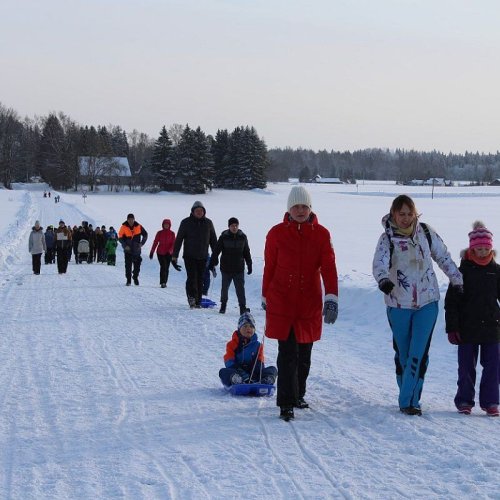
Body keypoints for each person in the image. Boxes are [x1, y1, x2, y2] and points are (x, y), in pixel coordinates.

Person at [373, 194, 463, 416]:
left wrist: (458, 280)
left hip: (427, 302)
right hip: (398, 304)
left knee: (418, 353)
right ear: (393, 214)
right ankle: (408, 394)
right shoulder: (387, 239)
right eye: (401, 214)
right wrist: (383, 280)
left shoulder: (426, 232)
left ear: (415, 214)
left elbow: (443, 257)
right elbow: (379, 263)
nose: (405, 218)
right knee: (403, 354)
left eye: (409, 214)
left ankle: (409, 401)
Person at [263, 186, 339, 421]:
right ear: (289, 209)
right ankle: (286, 403)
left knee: (304, 353)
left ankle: (298, 394)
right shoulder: (276, 233)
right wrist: (265, 296)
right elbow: (270, 266)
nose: (300, 210)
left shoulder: (322, 234)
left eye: (304, 206)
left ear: (310, 208)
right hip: (282, 301)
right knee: (287, 353)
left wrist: (331, 297)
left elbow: (329, 267)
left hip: (308, 303)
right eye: (295, 206)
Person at [444, 221, 500, 417]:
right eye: (479, 249)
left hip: (492, 327)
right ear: (472, 248)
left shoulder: (496, 270)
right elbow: (451, 302)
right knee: (466, 366)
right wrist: (452, 327)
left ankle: (491, 402)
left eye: (486, 248)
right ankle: (464, 400)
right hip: (466, 327)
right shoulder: (462, 272)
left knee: (493, 366)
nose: (483, 252)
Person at [172, 201, 217, 308]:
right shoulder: (185, 222)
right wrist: (174, 256)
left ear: (204, 212)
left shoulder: (208, 223)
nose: (199, 212)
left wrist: (215, 257)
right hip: (189, 256)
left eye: (201, 210)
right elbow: (179, 240)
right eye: (197, 210)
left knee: (200, 278)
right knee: (192, 277)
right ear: (193, 212)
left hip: (203, 256)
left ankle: (198, 300)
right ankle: (191, 297)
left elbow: (213, 241)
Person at [219, 312, 277, 387]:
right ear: (239, 329)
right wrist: (240, 372)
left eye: (251, 326)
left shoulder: (258, 346)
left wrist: (254, 374)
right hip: (237, 372)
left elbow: (260, 361)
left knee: (273, 369)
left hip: (254, 373)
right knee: (223, 372)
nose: (248, 328)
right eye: (245, 326)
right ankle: (236, 380)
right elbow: (229, 361)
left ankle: (266, 380)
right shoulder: (232, 344)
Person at [210, 217, 252, 315]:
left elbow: (246, 252)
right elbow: (216, 250)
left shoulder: (243, 237)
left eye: (236, 225)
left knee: (240, 289)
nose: (234, 227)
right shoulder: (224, 237)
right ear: (229, 226)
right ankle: (223, 305)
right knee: (224, 288)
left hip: (239, 268)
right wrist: (212, 261)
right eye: (232, 226)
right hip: (226, 268)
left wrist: (249, 264)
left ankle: (242, 307)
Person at [118, 213, 148, 286]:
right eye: (129, 219)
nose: (131, 221)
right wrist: (125, 246)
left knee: (137, 265)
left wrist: (142, 243)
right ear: (127, 220)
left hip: (137, 250)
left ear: (134, 219)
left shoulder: (139, 226)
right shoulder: (123, 227)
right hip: (128, 250)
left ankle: (135, 277)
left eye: (132, 219)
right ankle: (128, 280)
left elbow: (145, 234)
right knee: (128, 266)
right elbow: (120, 238)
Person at [149, 219, 180, 288]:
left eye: (167, 224)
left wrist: (170, 251)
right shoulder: (159, 233)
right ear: (163, 225)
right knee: (163, 266)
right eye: (165, 224)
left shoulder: (172, 233)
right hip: (160, 252)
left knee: (166, 267)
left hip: (168, 253)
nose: (166, 225)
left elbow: (173, 244)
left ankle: (165, 282)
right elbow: (155, 242)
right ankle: (162, 282)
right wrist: (152, 252)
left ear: (169, 225)